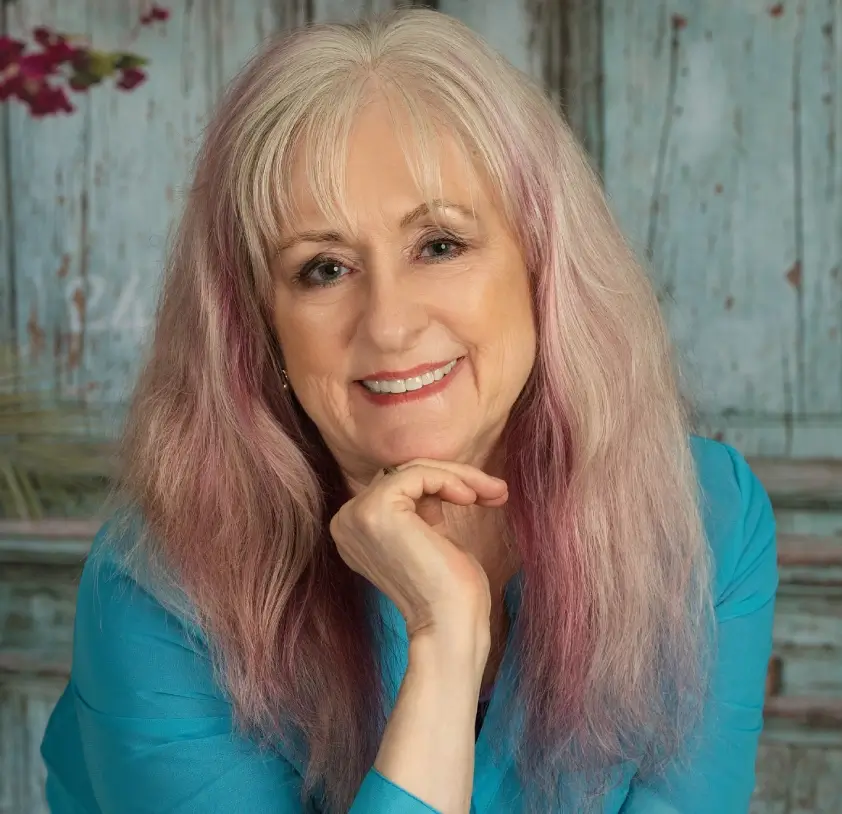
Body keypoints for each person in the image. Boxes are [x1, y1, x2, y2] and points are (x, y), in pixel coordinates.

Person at [40, 8, 777, 814]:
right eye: (323, 268)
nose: (389, 324)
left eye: (439, 245)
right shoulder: (160, 591)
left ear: (543, 267)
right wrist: (445, 640)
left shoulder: (704, 517)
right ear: (260, 328)